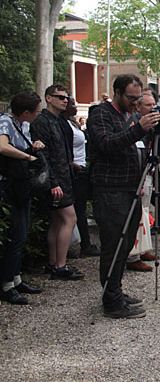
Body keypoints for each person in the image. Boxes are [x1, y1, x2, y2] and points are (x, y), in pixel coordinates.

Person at [87, 74, 160, 319]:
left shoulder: (131, 115)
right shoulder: (100, 114)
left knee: (126, 245)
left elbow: (153, 146)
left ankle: (115, 290)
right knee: (113, 246)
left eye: (139, 99)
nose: (136, 104)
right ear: (116, 92)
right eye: (131, 98)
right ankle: (111, 301)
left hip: (132, 188)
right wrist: (139, 128)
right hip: (110, 189)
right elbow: (107, 144)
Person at [30, 85, 83, 281]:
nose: (65, 100)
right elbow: (43, 155)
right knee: (70, 219)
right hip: (56, 179)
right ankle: (60, 265)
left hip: (64, 176)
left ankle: (54, 263)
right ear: (48, 98)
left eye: (66, 98)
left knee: (58, 221)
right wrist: (53, 183)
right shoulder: (42, 122)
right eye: (60, 97)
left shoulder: (60, 121)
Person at [0, 92, 45, 304]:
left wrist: (33, 146)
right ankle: (6, 284)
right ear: (26, 112)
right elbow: (2, 146)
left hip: (22, 184)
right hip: (9, 185)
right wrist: (27, 155)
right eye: (36, 111)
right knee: (15, 233)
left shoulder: (23, 125)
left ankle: (16, 278)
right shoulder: (6, 122)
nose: (38, 114)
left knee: (22, 232)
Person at [63, 97, 100, 258]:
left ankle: (85, 242)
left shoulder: (72, 124)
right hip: (75, 171)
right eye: (72, 103)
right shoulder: (63, 125)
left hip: (83, 169)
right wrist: (74, 165)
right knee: (78, 210)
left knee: (82, 209)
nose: (75, 106)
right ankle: (82, 243)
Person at [124, 92, 158, 272]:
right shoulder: (133, 124)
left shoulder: (152, 126)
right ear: (138, 107)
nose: (152, 109)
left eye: (154, 105)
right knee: (135, 216)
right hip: (137, 176)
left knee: (145, 214)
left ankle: (143, 248)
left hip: (148, 173)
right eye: (148, 106)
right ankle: (132, 256)